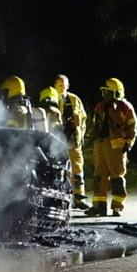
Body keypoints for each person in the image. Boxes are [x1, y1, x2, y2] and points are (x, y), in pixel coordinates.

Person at [85, 78, 137, 217]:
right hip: (101, 144)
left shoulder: (125, 107)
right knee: (99, 177)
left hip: (116, 145)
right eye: (103, 92)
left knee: (117, 177)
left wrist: (128, 144)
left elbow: (133, 127)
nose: (104, 95)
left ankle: (117, 207)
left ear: (116, 93)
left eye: (107, 92)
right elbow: (95, 126)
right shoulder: (100, 107)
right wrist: (88, 140)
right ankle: (99, 206)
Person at [53, 75, 89, 210]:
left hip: (73, 141)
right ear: (54, 86)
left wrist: (80, 137)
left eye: (64, 85)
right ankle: (62, 200)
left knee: (77, 171)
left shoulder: (75, 100)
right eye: (59, 85)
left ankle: (79, 199)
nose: (62, 88)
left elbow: (83, 119)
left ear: (68, 86)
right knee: (60, 171)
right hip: (57, 143)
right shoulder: (51, 98)